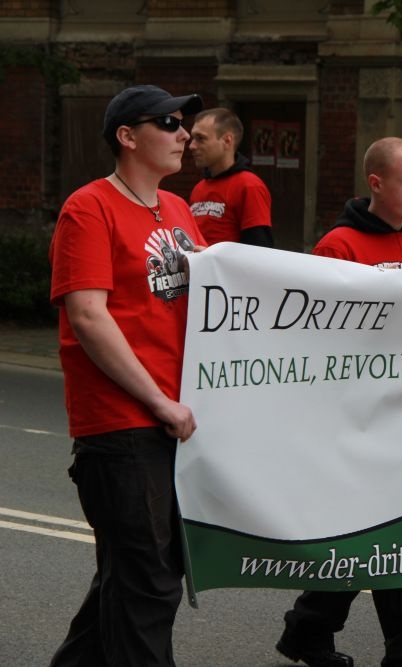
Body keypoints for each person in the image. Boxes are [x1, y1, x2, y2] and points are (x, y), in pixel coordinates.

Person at [48, 84, 205, 666]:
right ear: (127, 136)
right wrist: (158, 401)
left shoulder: (179, 211)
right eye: (169, 123)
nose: (184, 134)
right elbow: (89, 316)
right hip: (122, 427)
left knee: (130, 582)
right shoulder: (88, 208)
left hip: (174, 421)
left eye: (184, 124)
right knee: (148, 584)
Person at [275, 137, 402, 667]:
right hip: (355, 419)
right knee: (387, 527)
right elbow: (319, 338)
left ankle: (307, 629)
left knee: (370, 532)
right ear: (377, 184)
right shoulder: (338, 247)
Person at [188, 107, 274, 247]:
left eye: (201, 138)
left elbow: (259, 250)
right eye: (193, 138)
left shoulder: (249, 185)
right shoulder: (199, 189)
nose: (192, 146)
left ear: (227, 141)